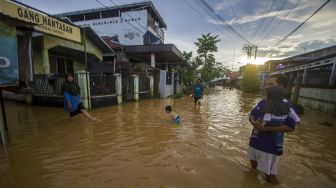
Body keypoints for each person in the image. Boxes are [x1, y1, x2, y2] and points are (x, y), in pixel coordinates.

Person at [247, 74, 300, 184]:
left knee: (270, 174)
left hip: (270, 146)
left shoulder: (287, 106)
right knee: (253, 163)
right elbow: (251, 115)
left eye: (271, 84)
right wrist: (253, 122)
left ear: (281, 87)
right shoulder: (262, 102)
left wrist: (267, 129)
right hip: (254, 141)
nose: (267, 87)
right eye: (266, 84)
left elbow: (290, 127)